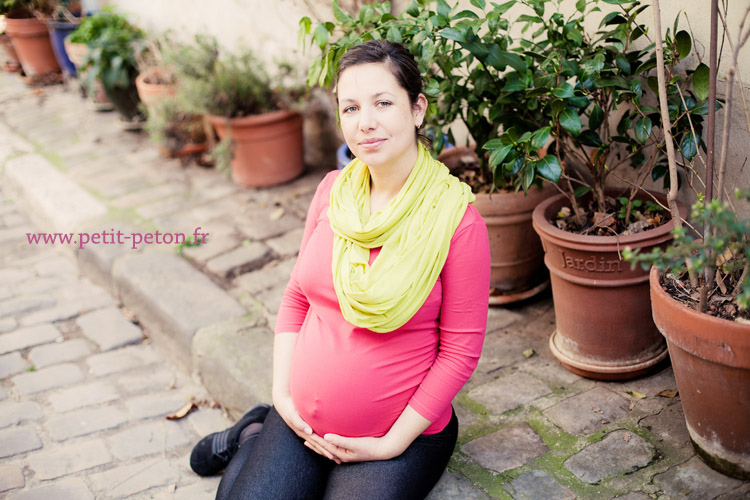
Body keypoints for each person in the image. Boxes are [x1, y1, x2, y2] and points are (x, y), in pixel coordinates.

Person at [190, 39, 491, 500]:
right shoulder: (333, 192)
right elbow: (296, 298)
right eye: (350, 108)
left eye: (383, 103)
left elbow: (460, 351)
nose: (365, 122)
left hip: (399, 437)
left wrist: (391, 442)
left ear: (417, 110)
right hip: (300, 419)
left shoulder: (457, 221)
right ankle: (256, 429)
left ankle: (256, 433)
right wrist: (283, 398)